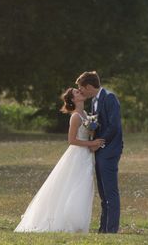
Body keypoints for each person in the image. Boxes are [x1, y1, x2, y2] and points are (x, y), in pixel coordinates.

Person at [14, 88, 105, 233]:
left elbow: (88, 137)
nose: (80, 92)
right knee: (73, 186)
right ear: (73, 100)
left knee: (84, 187)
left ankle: (77, 223)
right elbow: (71, 140)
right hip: (77, 156)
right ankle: (66, 222)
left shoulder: (86, 115)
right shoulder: (75, 117)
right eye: (76, 92)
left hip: (86, 156)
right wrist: (91, 144)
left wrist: (93, 142)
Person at [76, 70, 123, 234]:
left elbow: (114, 126)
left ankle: (111, 230)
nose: (80, 92)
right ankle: (103, 228)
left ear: (89, 87)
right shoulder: (94, 101)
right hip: (99, 150)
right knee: (103, 194)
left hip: (109, 150)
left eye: (81, 88)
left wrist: (99, 143)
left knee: (110, 191)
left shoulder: (109, 98)